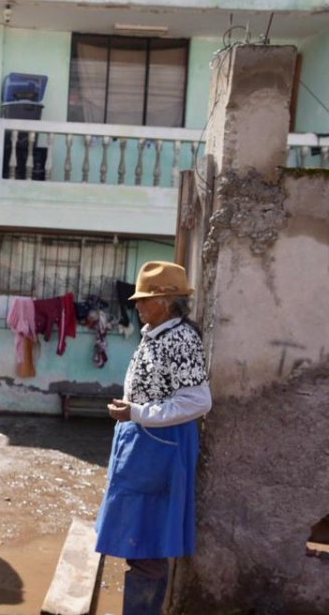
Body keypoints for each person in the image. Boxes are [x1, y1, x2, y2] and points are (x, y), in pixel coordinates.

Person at [94, 261, 211, 615]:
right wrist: (133, 410)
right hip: (144, 445)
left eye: (145, 300)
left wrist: (137, 413)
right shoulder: (156, 333)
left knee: (145, 545)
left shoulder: (180, 338)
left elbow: (197, 401)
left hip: (160, 450)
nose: (139, 306)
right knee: (140, 543)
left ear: (169, 301)